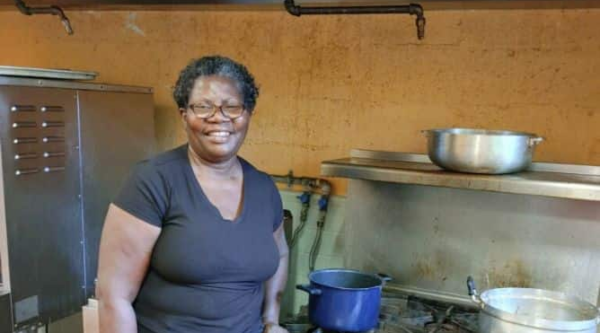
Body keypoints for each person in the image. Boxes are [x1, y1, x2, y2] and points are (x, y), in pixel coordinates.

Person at [96, 55, 290, 333]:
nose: (218, 118)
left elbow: (280, 254)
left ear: (248, 114)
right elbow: (114, 298)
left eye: (232, 107)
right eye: (203, 106)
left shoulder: (264, 188)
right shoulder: (153, 181)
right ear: (184, 114)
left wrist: (271, 319)